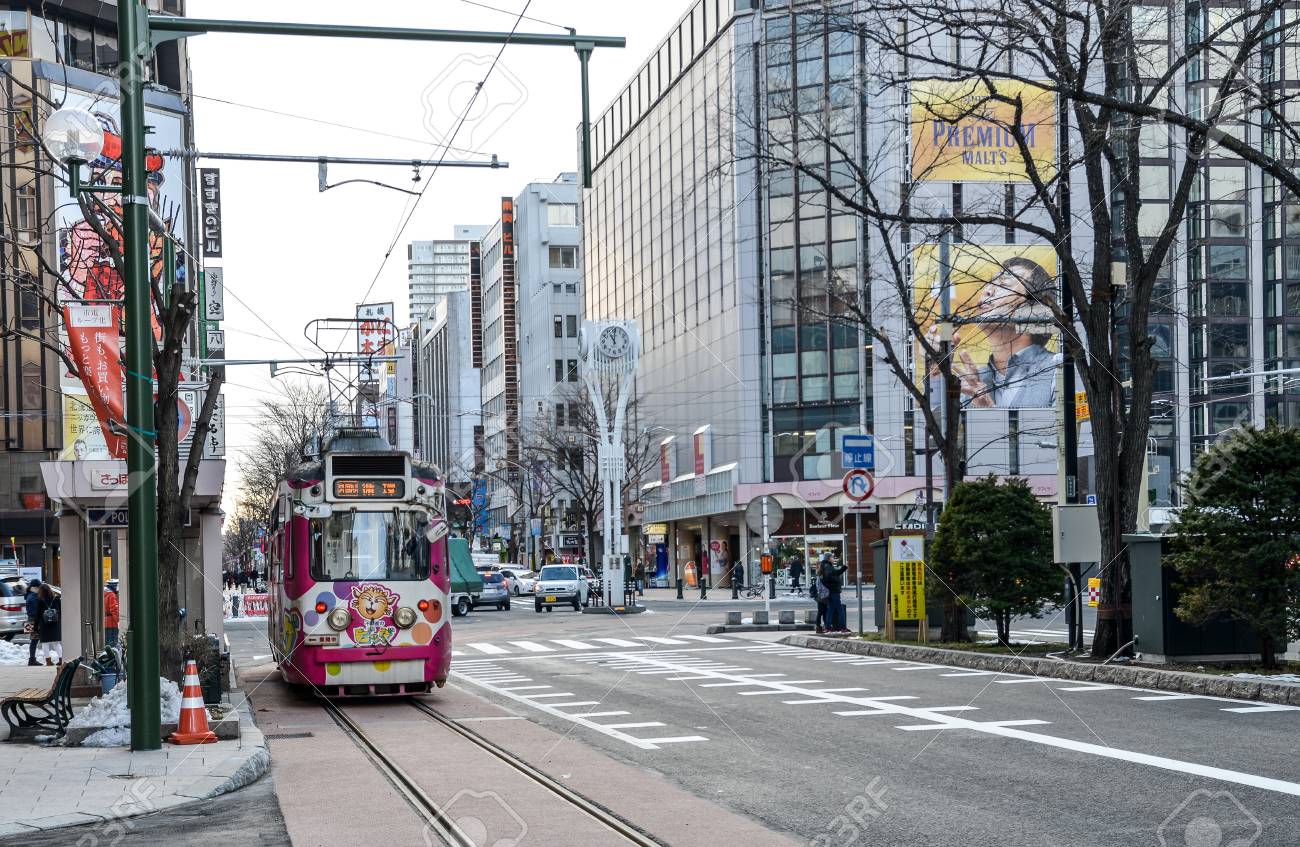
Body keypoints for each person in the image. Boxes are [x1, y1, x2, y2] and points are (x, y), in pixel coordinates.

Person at [819, 553, 849, 634]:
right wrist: (836, 582)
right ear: (829, 558)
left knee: (831, 609)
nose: (834, 558)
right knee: (840, 609)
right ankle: (843, 627)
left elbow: (835, 573)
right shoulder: (827, 566)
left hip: (831, 591)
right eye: (832, 557)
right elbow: (830, 577)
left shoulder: (827, 565)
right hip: (833, 591)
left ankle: (828, 627)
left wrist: (844, 567)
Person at [34, 583, 62, 666]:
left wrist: (35, 627)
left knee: (45, 643)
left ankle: (48, 661)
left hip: (44, 625)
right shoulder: (56, 599)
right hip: (55, 624)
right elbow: (60, 611)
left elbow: (38, 615)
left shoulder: (40, 600)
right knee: (56, 643)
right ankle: (61, 659)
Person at [24, 578, 41, 667]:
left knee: (34, 640)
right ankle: (32, 660)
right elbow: (36, 611)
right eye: (39, 587)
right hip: (34, 621)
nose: (40, 589)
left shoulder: (30, 595)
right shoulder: (33, 597)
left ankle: (32, 659)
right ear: (35, 587)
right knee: (34, 641)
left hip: (31, 620)